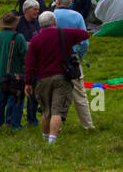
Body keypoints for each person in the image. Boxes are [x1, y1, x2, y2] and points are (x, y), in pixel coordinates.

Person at [24, 11, 91, 145]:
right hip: (61, 77)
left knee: (45, 110)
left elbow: (30, 64)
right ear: (54, 22)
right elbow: (84, 34)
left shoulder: (36, 40)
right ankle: (52, 141)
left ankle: (44, 136)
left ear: (40, 25)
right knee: (57, 110)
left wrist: (28, 83)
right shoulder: (64, 33)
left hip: (42, 79)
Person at [53, 0, 96, 131]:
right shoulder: (77, 17)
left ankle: (55, 127)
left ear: (57, 2)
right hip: (73, 58)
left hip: (55, 58)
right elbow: (84, 41)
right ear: (70, 2)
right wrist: (80, 55)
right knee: (80, 94)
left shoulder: (51, 15)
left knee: (56, 94)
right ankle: (87, 125)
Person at [0, 12, 27, 130]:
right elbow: (25, 56)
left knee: (0, 100)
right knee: (17, 100)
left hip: (0, 74)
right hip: (15, 75)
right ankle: (14, 123)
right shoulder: (18, 37)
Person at [17, 0, 43, 127]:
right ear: (27, 9)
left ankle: (32, 118)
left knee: (34, 91)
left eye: (38, 9)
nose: (37, 12)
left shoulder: (37, 23)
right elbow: (18, 42)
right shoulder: (19, 23)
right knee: (22, 91)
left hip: (36, 61)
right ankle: (16, 118)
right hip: (22, 62)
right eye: (35, 9)